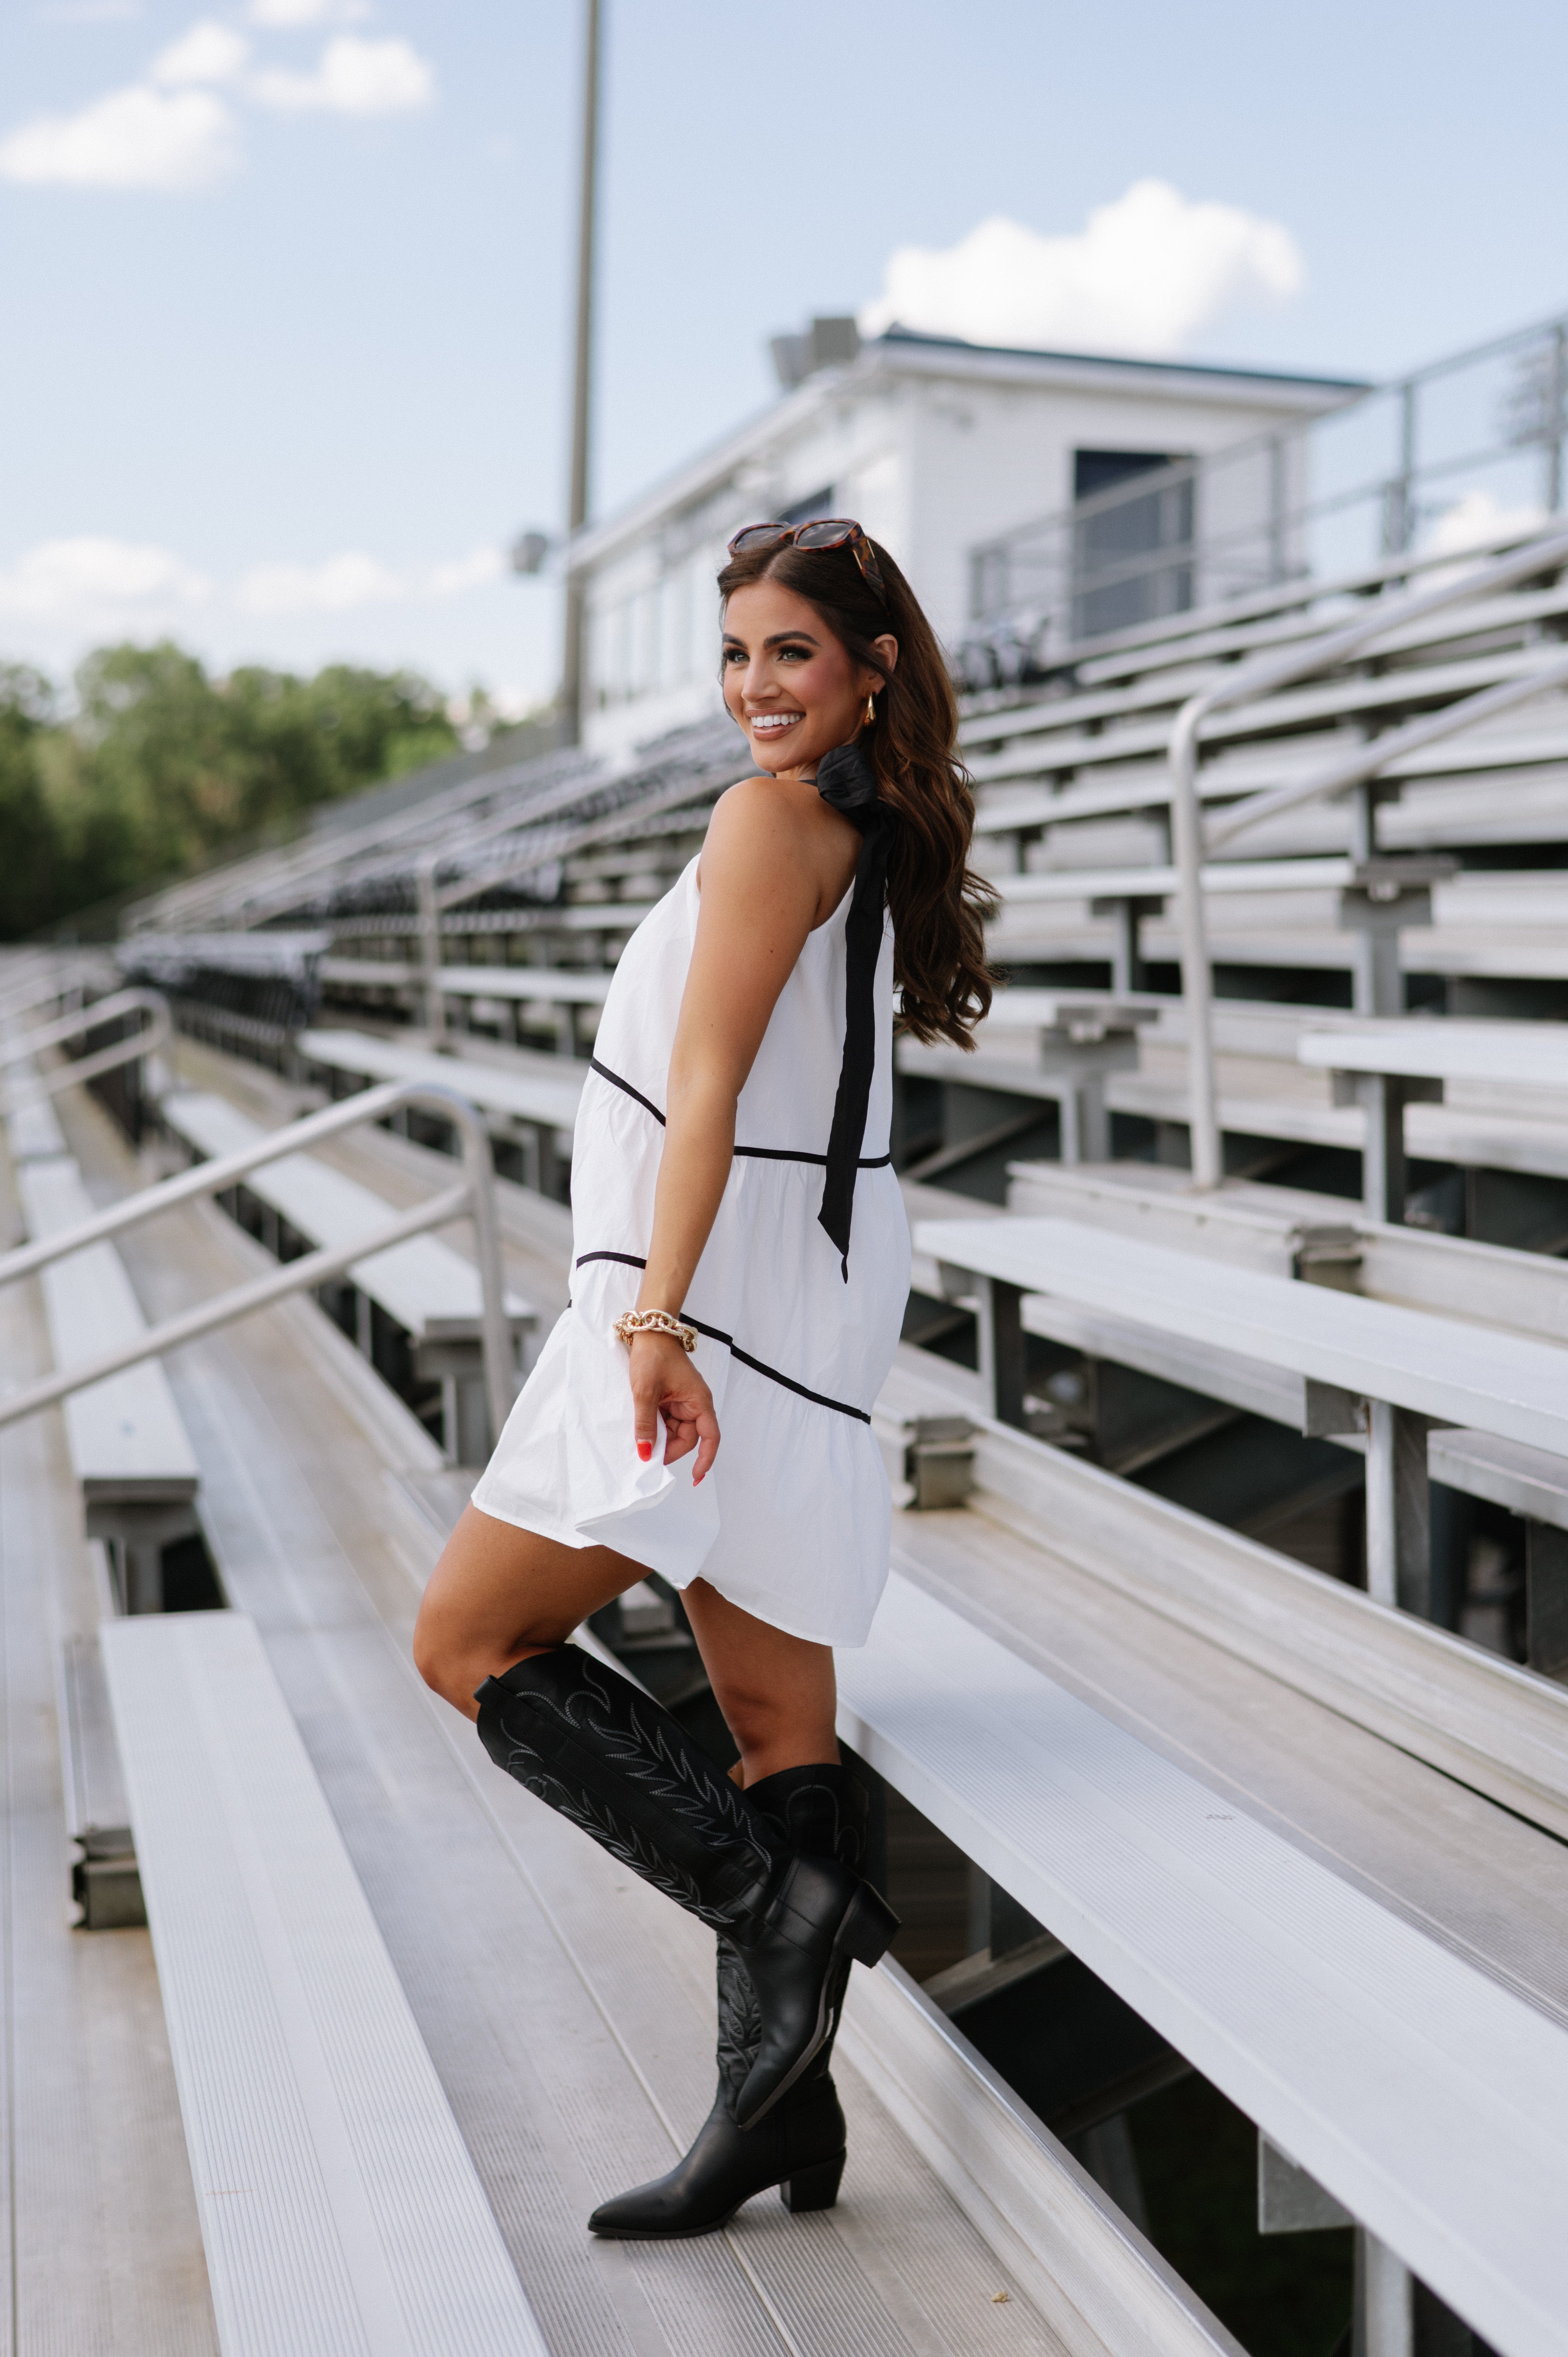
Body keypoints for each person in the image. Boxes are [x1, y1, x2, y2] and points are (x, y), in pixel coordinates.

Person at [414, 517, 993, 2238]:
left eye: (790, 653)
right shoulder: (858, 824)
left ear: (871, 667)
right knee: (765, 1726)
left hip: (712, 1298)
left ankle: (776, 1908)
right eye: (735, 653)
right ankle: (779, 2126)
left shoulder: (771, 819)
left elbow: (712, 1083)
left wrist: (653, 1325)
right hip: (789, 1299)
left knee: (467, 1640)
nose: (754, 686)